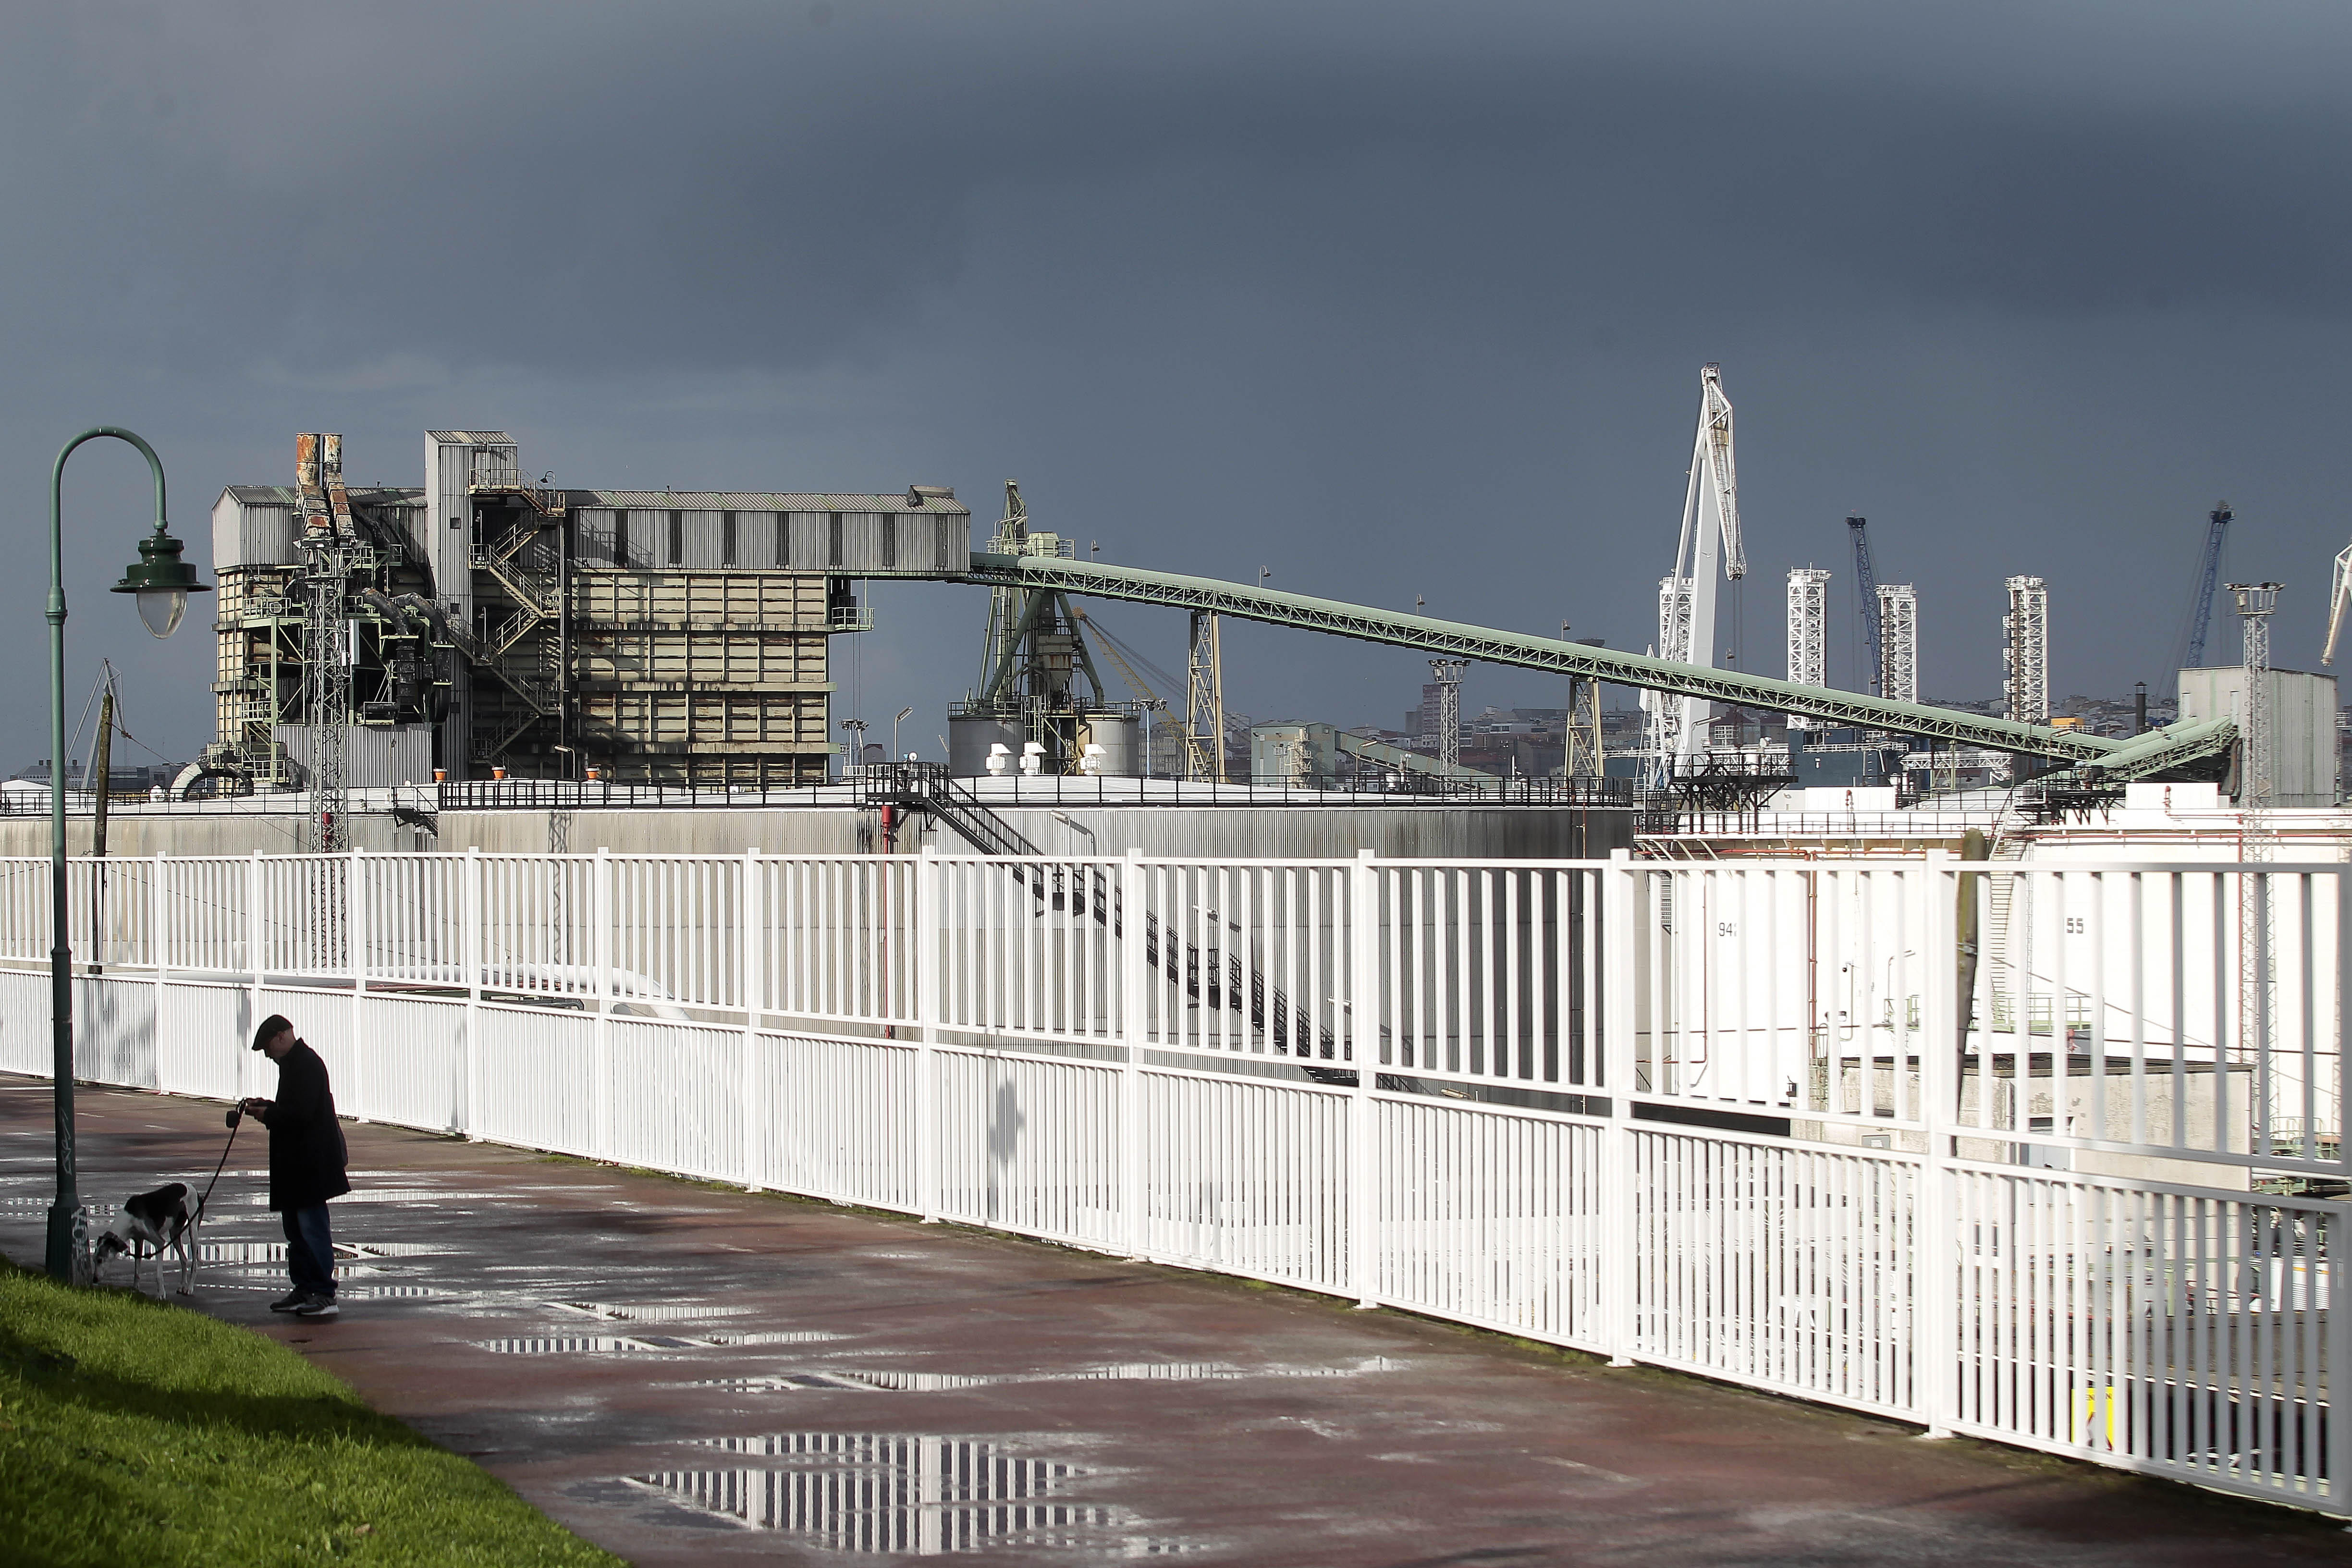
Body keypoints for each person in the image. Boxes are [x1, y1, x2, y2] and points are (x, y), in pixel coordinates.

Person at [239, 1014, 351, 1319]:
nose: (268, 1056)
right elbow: (294, 1110)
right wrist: (267, 1107)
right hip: (298, 1167)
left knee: (313, 1229)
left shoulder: (306, 1065)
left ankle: (324, 1294)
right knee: (296, 1231)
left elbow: (300, 1115)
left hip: (310, 1166)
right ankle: (305, 1288)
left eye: (267, 1049)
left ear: (280, 1037)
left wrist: (268, 1115)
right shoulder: (294, 1065)